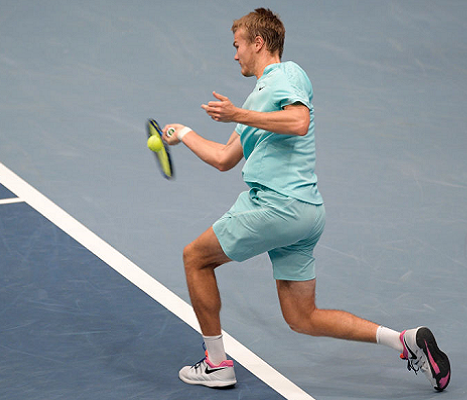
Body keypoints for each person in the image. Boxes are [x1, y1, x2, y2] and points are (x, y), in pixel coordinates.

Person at [161, 8, 451, 392]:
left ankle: (216, 364)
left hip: (275, 206)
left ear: (258, 43)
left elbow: (299, 122)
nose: (234, 55)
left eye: (237, 45)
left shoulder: (286, 74)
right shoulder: (256, 100)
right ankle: (405, 341)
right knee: (303, 317)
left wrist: (238, 114)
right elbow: (224, 158)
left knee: (195, 259)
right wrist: (184, 133)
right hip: (304, 214)